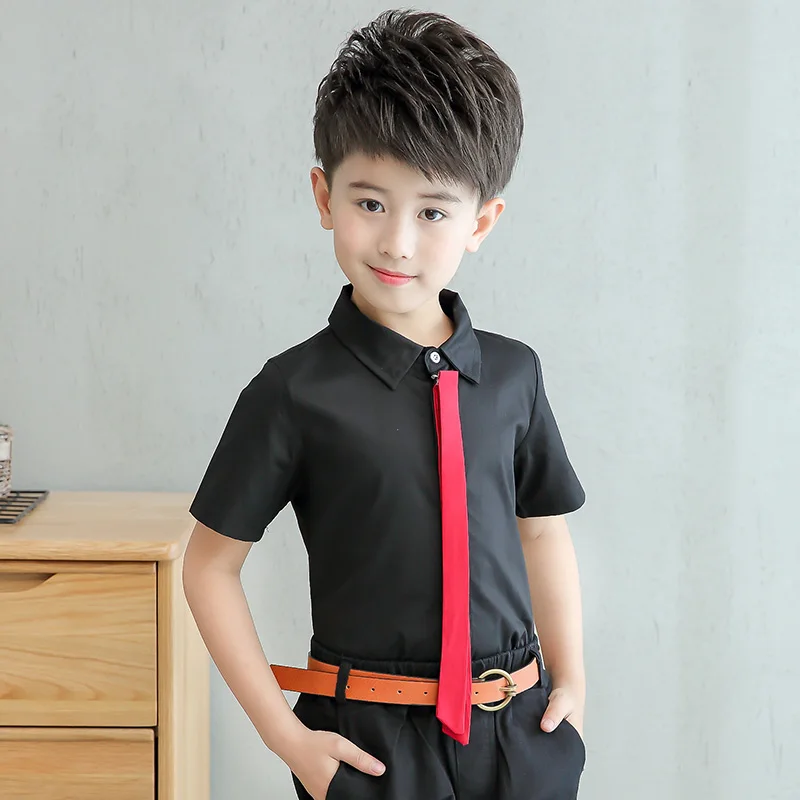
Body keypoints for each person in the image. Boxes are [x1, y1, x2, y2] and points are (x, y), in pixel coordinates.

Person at [183, 9, 587, 799]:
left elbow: (542, 530)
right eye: (370, 203)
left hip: (521, 738)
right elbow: (209, 567)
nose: (398, 241)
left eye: (432, 212)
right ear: (323, 195)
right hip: (370, 751)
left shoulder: (514, 375)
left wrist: (571, 684)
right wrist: (288, 739)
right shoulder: (293, 391)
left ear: (481, 222)